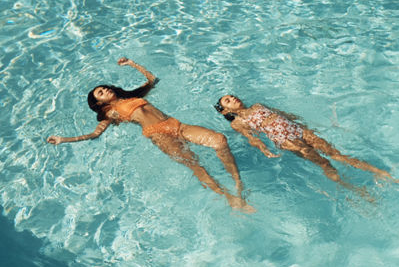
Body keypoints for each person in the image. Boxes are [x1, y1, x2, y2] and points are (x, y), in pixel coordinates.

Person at [47, 58, 251, 211]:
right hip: (159, 135)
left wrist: (131, 63)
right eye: (100, 94)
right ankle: (229, 198)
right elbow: (95, 134)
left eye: (104, 88)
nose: (105, 91)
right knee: (195, 165)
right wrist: (64, 139)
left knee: (219, 140)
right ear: (100, 104)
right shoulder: (111, 113)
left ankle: (237, 182)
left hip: (175, 124)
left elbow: (152, 80)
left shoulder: (132, 96)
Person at [213, 94, 399, 192]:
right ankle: (352, 188)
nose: (233, 98)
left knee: (337, 154)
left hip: (297, 129)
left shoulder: (257, 105)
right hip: (286, 140)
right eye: (228, 101)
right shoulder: (238, 123)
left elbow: (284, 115)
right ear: (225, 111)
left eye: (232, 96)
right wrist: (263, 148)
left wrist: (307, 126)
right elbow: (251, 137)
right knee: (324, 162)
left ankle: (380, 173)